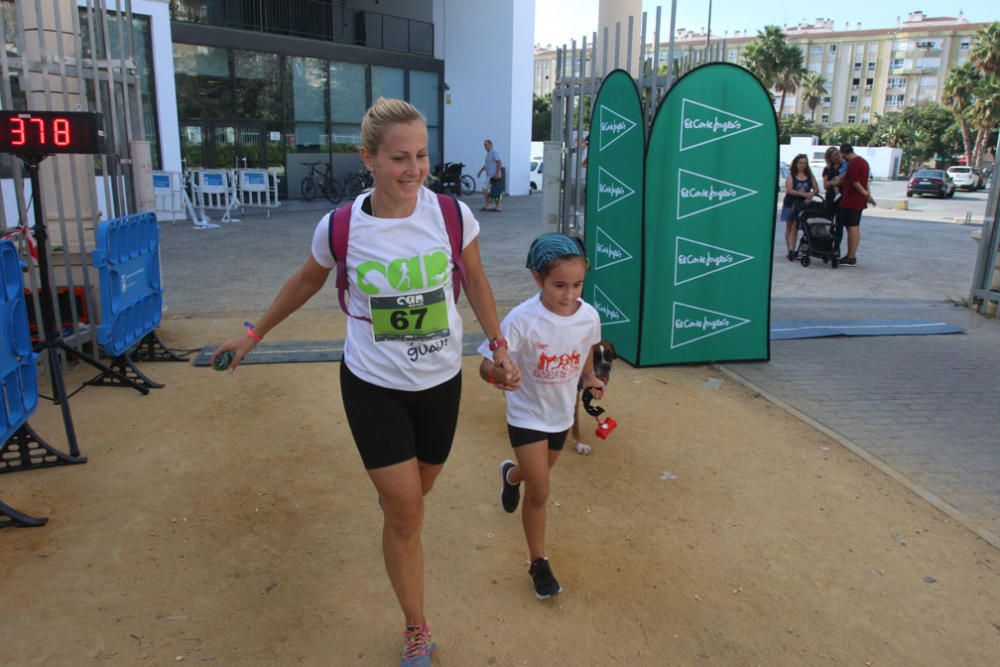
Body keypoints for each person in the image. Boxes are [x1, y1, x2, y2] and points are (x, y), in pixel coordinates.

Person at [211, 98, 520, 667]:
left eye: (422, 155)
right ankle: (416, 627)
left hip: (439, 380)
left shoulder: (451, 216)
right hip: (371, 383)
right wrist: (253, 335)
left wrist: (498, 345)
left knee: (416, 497)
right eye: (399, 157)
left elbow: (475, 281)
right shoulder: (342, 226)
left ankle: (397, 511)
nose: (414, 169)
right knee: (406, 512)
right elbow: (307, 280)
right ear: (369, 160)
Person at [478, 233, 604, 600]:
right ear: (537, 278)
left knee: (536, 475)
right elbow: (485, 365)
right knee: (542, 489)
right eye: (559, 285)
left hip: (560, 416)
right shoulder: (521, 319)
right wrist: (499, 375)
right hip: (526, 415)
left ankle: (510, 475)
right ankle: (538, 562)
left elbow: (587, 351)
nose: (569, 294)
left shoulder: (589, 316)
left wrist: (590, 377)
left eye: (578, 284)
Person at [838, 144, 876, 267]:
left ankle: (851, 256)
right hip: (858, 200)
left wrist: (866, 194)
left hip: (852, 200)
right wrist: (867, 194)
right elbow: (865, 182)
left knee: (852, 227)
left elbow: (856, 182)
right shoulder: (864, 162)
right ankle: (851, 255)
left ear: (843, 153)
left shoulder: (854, 164)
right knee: (854, 226)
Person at [780, 154, 819, 261]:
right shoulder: (791, 175)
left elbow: (816, 189)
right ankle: (790, 250)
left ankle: (794, 249)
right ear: (796, 164)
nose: (802, 165)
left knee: (796, 227)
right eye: (800, 163)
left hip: (803, 205)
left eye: (804, 163)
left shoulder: (810, 176)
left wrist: (811, 195)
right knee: (790, 226)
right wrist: (804, 195)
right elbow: (789, 189)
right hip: (791, 203)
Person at [477, 139, 504, 212]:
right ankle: (489, 204)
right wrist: (480, 171)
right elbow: (487, 165)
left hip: (494, 175)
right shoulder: (488, 154)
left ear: (491, 145)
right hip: (489, 176)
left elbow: (499, 162)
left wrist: (497, 174)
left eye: (486, 144)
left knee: (496, 191)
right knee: (486, 190)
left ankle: (496, 206)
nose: (485, 146)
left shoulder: (494, 152)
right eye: (484, 145)